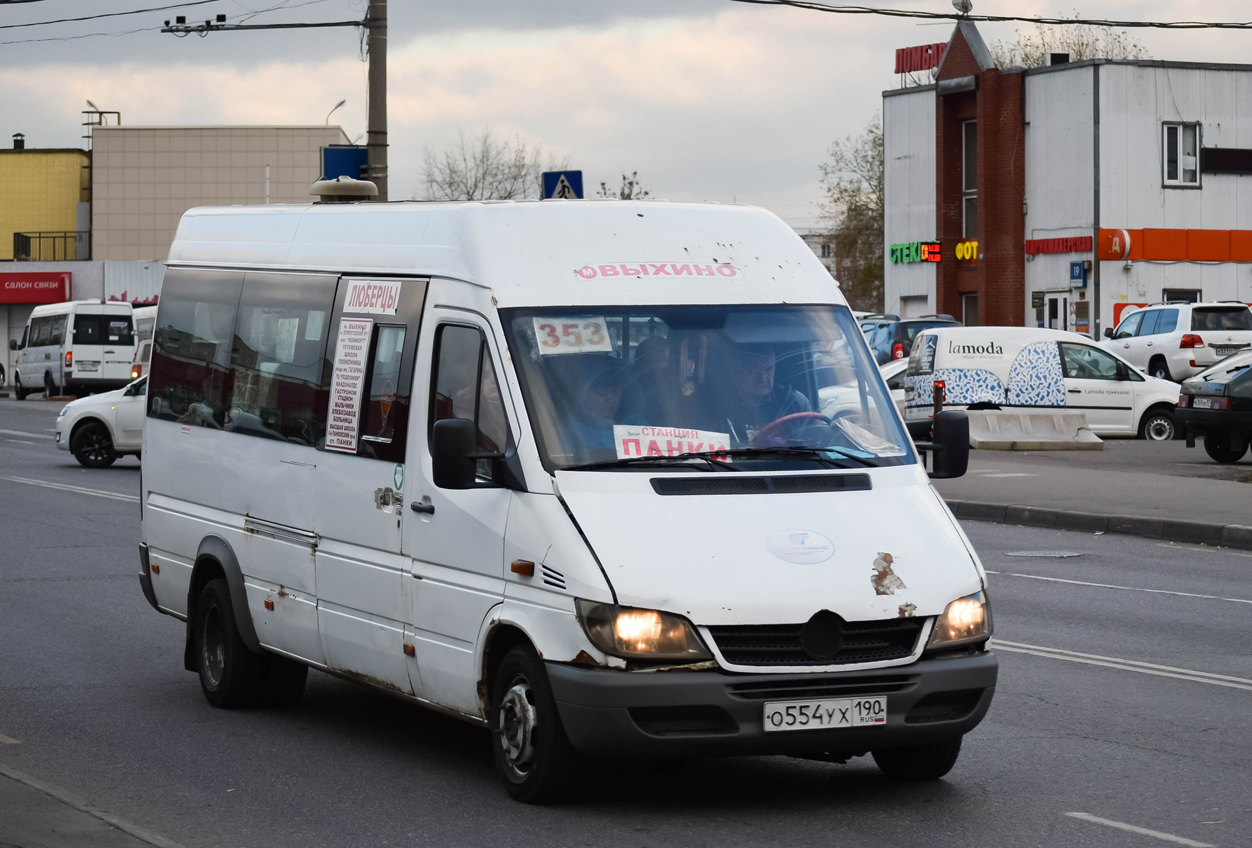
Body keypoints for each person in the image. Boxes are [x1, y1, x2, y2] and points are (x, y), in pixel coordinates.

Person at [720, 344, 812, 445]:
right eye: (754, 371)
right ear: (736, 372)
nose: (763, 379)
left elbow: (815, 437)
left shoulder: (794, 403)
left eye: (768, 370)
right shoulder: (720, 406)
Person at [564, 357, 640, 454]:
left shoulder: (635, 422)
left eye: (615, 393)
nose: (610, 400)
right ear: (583, 395)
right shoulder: (571, 427)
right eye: (602, 393)